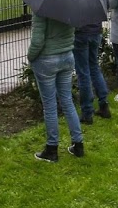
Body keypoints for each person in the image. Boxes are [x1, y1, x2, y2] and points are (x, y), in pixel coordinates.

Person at [58, 0, 112, 121]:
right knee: (94, 66)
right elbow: (106, 1)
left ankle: (87, 112)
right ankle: (103, 104)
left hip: (81, 31)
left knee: (83, 72)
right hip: (95, 28)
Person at [28, 11, 85, 163]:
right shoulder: (71, 4)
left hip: (47, 59)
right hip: (67, 56)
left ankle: (52, 149)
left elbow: (37, 40)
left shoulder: (40, 9)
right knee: (67, 101)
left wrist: (31, 57)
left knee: (50, 106)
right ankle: (78, 144)